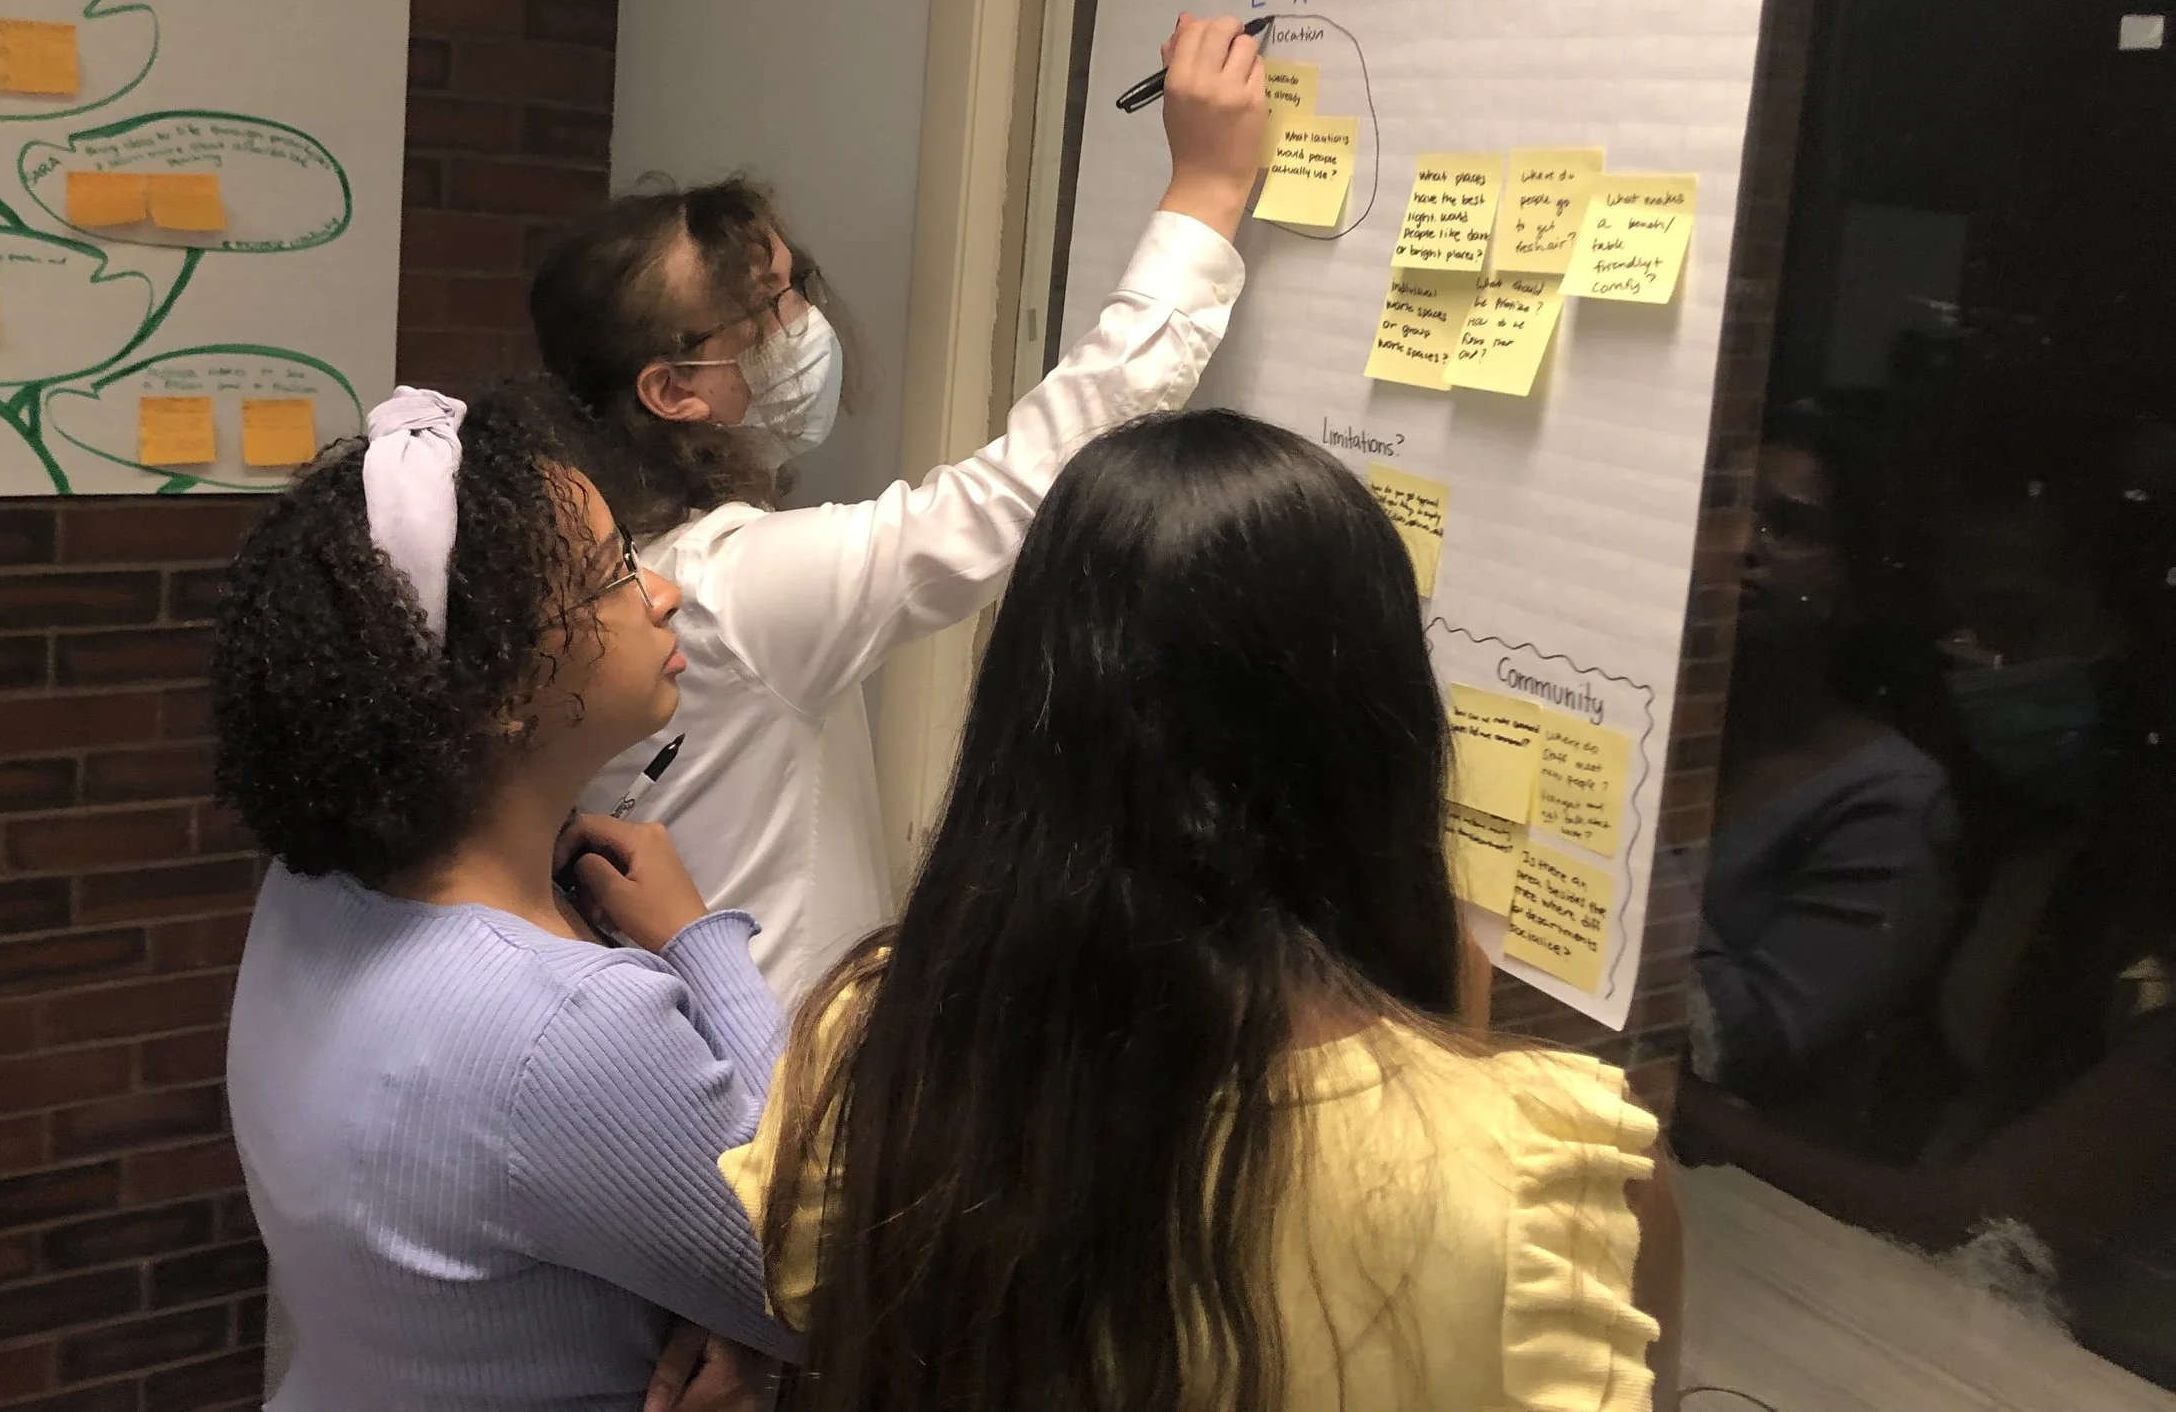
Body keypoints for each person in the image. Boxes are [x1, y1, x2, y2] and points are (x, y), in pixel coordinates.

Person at [720, 410, 1681, 1412]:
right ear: (1378, 732)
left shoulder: (880, 1041)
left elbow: (796, 1288)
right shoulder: (1562, 1179)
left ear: (1027, 715)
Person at [529, 15, 1264, 995]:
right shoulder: (728, 588)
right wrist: (1204, 195)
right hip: (761, 1078)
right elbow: (1020, 493)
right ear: (671, 391)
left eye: (798, 290)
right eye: (768, 314)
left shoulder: (577, 549)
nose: (804, 329)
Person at [217, 384, 794, 1412]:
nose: (659, 592)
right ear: (498, 694)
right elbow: (820, 1268)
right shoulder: (567, 1023)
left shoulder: (310, 892)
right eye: (614, 574)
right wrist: (701, 942)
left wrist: (708, 1295)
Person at [1693, 421, 1956, 1134]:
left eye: (1788, 525)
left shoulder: (1889, 800)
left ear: (1858, 580)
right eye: (1725, 508)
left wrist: (1604, 823)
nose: (1741, 543)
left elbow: (1748, 1054)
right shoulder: (1676, 728)